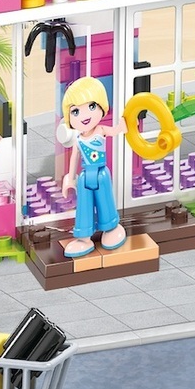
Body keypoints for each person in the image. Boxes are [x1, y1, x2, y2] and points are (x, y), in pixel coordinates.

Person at [59, 77, 127, 258]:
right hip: (84, 176)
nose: (84, 116)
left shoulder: (100, 130)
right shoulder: (78, 139)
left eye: (91, 106)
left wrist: (124, 125)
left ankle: (111, 227)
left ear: (101, 106)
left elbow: (116, 131)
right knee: (84, 205)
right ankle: (83, 237)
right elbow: (74, 157)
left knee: (105, 200)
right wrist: (70, 179)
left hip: (100, 172)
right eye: (75, 111)